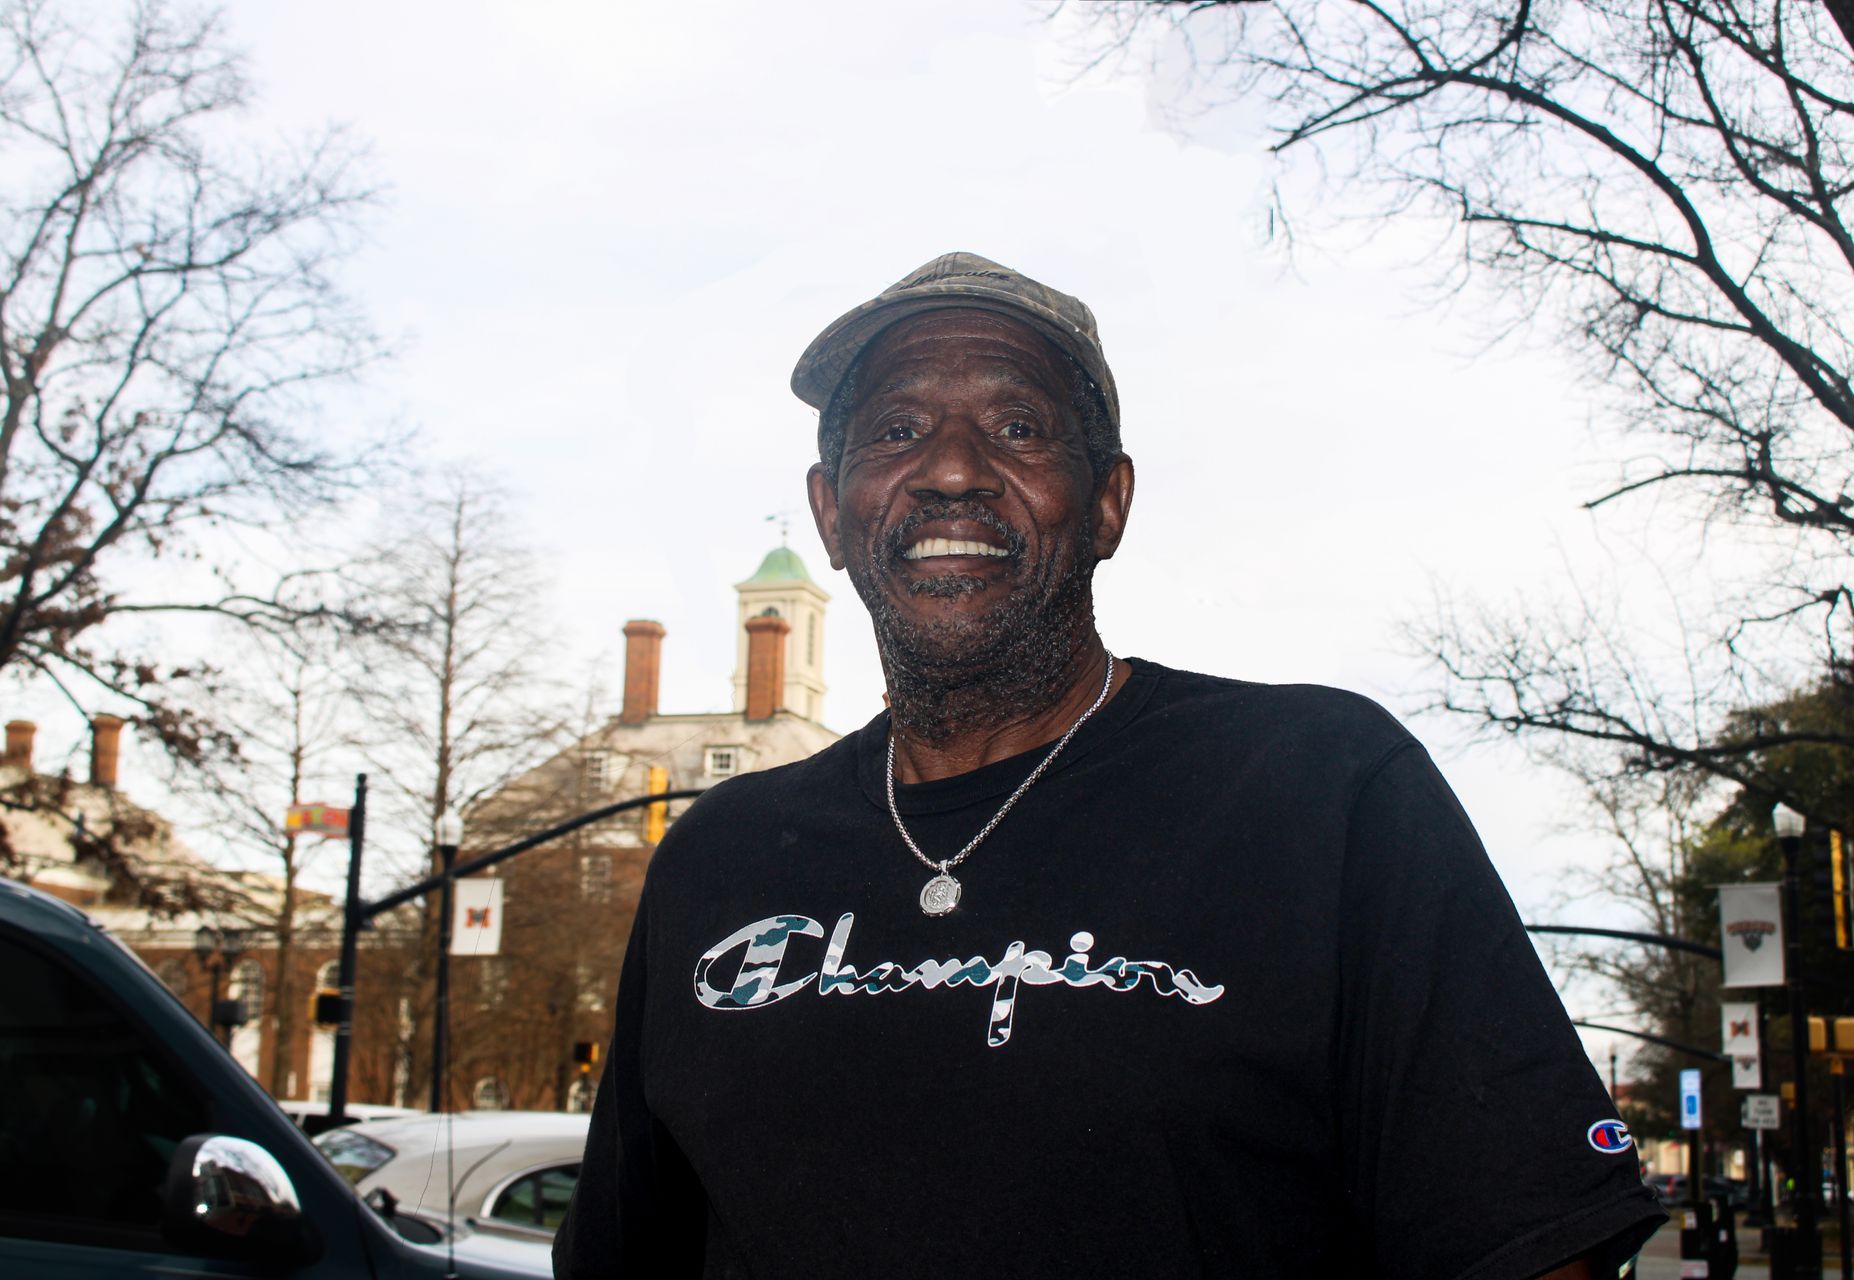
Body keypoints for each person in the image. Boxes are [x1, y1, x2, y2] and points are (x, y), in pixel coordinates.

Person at [554, 252, 1666, 1279]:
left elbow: (1531, 1246)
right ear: (831, 515)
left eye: (1018, 426)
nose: (952, 468)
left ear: (1105, 504)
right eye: (896, 430)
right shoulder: (717, 860)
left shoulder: (1322, 792)